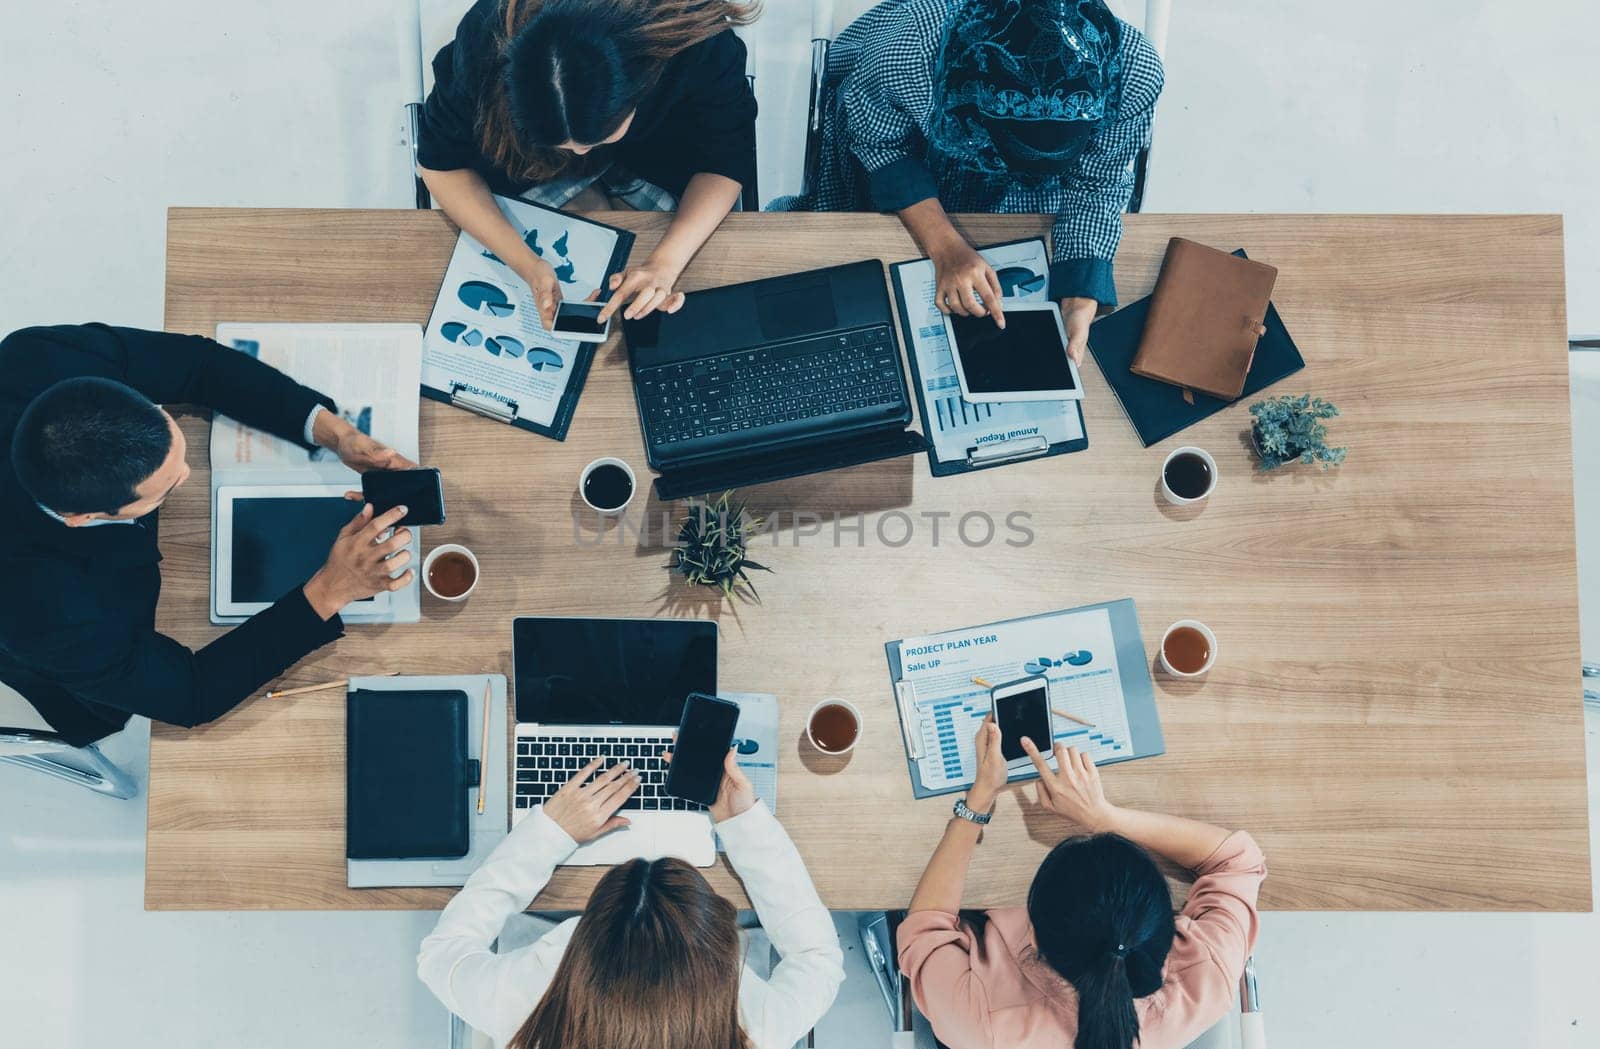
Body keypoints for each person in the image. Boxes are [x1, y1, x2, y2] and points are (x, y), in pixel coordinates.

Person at [0, 324, 419, 745]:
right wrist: (331, 590)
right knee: (102, 712)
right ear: (81, 517)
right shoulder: (39, 613)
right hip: (80, 640)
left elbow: (198, 365)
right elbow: (191, 693)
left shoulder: (36, 354)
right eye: (167, 487)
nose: (188, 474)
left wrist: (337, 433)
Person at [774, 0, 1164, 363]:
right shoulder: (910, 53)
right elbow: (878, 142)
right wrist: (945, 246)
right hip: (914, 155)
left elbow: (1096, 182)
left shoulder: (1136, 72)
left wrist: (1079, 296)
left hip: (1033, 199)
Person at [418, 749, 844, 1049]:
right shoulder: (756, 1031)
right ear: (724, 951)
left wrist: (551, 833)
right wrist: (742, 823)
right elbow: (817, 957)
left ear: (580, 941)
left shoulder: (528, 1007)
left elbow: (441, 957)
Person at [898, 719, 1266, 1049]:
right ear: (1162, 929)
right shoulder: (1207, 977)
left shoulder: (983, 1024)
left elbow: (922, 933)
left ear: (1035, 936)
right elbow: (1237, 862)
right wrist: (1104, 816)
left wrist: (977, 801)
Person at [416, 0, 760, 330]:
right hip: (526, 171)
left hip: (662, 160)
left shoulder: (695, 38)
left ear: (642, 81)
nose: (579, 152)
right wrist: (529, 267)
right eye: (563, 142)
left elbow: (727, 158)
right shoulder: (485, 37)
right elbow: (440, 163)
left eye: (595, 138)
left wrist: (665, 265)